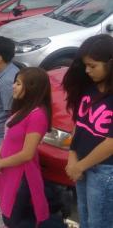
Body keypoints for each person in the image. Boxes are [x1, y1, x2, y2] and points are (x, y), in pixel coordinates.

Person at [62, 34, 113, 228]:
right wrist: (72, 156)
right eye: (85, 65)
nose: (87, 70)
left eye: (93, 66)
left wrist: (80, 166)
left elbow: (111, 143)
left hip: (105, 170)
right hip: (82, 163)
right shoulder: (88, 88)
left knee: (100, 222)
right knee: (85, 216)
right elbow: (79, 124)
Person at [0, 67, 52, 227]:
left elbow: (27, 154)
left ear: (32, 88)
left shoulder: (37, 115)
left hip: (21, 174)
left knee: (12, 218)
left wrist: (0, 163)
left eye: (18, 83)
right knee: (7, 214)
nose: (13, 86)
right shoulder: (23, 110)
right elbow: (8, 138)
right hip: (8, 169)